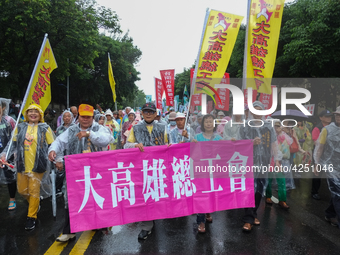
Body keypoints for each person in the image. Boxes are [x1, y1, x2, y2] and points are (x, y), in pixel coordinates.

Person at [48, 104, 113, 242]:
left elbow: (106, 140)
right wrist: (53, 151)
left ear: (92, 117)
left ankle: (99, 223)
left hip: (96, 171)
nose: (85, 119)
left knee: (97, 196)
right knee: (71, 198)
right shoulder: (71, 130)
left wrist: (89, 134)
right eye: (83, 116)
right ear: (78, 116)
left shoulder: (99, 128)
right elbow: (59, 142)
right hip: (76, 171)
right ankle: (69, 231)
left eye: (88, 117)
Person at [1, 104, 55, 230]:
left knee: (34, 191)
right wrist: (4, 154)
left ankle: (32, 217)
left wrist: (56, 158)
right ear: (26, 114)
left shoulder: (45, 128)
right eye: (30, 111)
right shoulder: (20, 127)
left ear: (40, 115)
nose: (33, 114)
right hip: (22, 164)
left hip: (38, 165)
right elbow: (12, 144)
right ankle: (34, 203)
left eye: (36, 111)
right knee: (22, 190)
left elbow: (52, 145)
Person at [124, 102, 168, 240]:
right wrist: (135, 145)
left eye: (151, 111)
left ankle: (156, 216)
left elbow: (168, 144)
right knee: (145, 195)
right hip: (141, 168)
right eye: (146, 111)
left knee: (158, 194)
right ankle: (146, 226)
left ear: (156, 114)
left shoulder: (163, 127)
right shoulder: (135, 128)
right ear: (141, 113)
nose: (148, 114)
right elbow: (126, 145)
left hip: (159, 167)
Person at [239, 101, 281, 232]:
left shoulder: (268, 126)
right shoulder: (245, 126)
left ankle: (253, 214)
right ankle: (248, 219)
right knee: (250, 189)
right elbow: (238, 145)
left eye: (260, 110)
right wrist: (251, 143)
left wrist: (277, 161)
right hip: (249, 162)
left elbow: (274, 144)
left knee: (259, 189)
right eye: (255, 110)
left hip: (264, 162)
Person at [192, 114, 222, 233]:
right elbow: (192, 154)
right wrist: (192, 145)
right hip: (200, 171)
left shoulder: (219, 138)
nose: (209, 123)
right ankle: (201, 221)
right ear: (203, 124)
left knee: (211, 193)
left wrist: (231, 143)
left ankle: (208, 212)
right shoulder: (197, 137)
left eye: (211, 121)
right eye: (206, 121)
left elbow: (225, 153)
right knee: (201, 194)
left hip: (214, 171)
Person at [314, 106, 340, 228]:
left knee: (337, 192)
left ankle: (330, 213)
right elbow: (320, 148)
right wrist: (317, 164)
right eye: (337, 115)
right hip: (330, 165)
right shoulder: (327, 130)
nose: (338, 117)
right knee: (337, 191)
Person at [266, 121, 292, 209]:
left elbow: (290, 142)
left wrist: (281, 134)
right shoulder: (267, 136)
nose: (275, 129)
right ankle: (268, 196)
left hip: (280, 162)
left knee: (281, 181)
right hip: (269, 161)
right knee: (268, 180)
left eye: (277, 126)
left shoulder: (283, 136)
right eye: (274, 126)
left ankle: (282, 200)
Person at [311, 109, 333, 200]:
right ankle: (314, 192)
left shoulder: (334, 127)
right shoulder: (317, 128)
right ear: (321, 118)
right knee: (317, 175)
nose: (329, 118)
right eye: (326, 116)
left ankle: (333, 192)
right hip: (319, 155)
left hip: (330, 156)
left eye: (330, 116)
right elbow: (317, 142)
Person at [0, 99, 16, 210]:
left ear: (3, 108)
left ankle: (12, 199)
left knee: (10, 177)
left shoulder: (9, 121)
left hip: (7, 156)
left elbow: (14, 138)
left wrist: (6, 153)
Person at [55, 110, 75, 196]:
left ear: (72, 118)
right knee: (60, 172)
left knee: (72, 172)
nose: (67, 118)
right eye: (65, 116)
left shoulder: (75, 127)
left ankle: (72, 189)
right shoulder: (59, 129)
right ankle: (58, 188)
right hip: (62, 154)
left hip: (72, 153)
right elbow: (57, 142)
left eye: (68, 116)